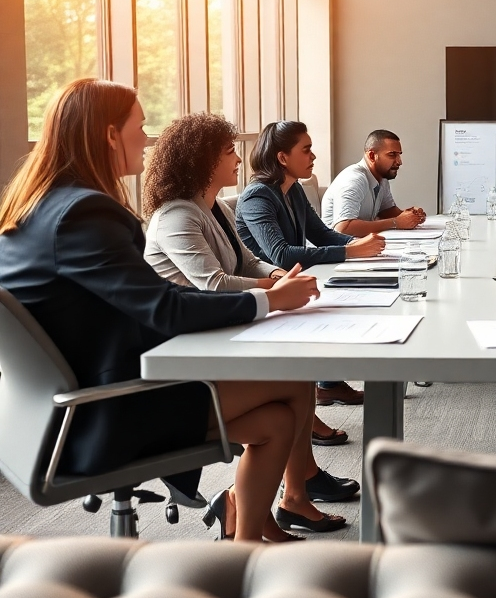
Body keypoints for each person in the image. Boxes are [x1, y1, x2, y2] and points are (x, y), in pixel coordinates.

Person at [0, 79, 333, 542]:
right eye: (140, 126)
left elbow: (146, 302)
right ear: (110, 135)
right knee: (295, 382)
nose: (147, 137)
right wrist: (269, 300)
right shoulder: (85, 214)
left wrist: (262, 295)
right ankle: (254, 528)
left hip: (56, 412)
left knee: (277, 420)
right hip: (100, 413)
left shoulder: (37, 206)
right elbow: (163, 308)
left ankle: (246, 533)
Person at [142, 112, 357, 460]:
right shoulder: (176, 216)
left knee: (299, 378)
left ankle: (301, 487)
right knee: (295, 381)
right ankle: (301, 485)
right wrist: (275, 292)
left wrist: (275, 277)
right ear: (204, 160)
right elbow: (213, 284)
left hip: (222, 325)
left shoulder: (216, 208)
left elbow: (247, 260)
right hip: (188, 344)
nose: (239, 158)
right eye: (229, 151)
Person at [235, 121, 386, 409]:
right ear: (282, 158)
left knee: (359, 299)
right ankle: (314, 398)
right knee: (339, 305)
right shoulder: (257, 196)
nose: (313, 156)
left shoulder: (293, 190)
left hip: (294, 281)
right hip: (269, 288)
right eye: (306, 150)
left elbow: (321, 234)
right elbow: (281, 255)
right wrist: (351, 253)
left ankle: (326, 385)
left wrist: (359, 244)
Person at [321, 129, 426, 237]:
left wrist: (411, 215)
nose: (399, 161)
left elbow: (386, 211)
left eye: (399, 155)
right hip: (337, 249)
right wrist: (396, 222)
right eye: (392, 155)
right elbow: (343, 228)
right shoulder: (354, 180)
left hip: (360, 246)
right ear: (372, 156)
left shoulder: (382, 178)